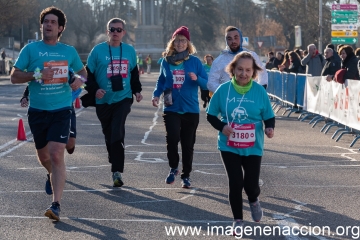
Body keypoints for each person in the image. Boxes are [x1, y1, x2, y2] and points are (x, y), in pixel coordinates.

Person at [10, 6, 87, 221]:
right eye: (46, 22)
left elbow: (83, 73)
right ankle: (51, 173)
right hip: (38, 111)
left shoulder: (68, 51)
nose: (49, 25)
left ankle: (55, 205)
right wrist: (37, 74)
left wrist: (81, 81)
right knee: (44, 157)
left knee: (56, 154)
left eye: (53, 22)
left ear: (60, 27)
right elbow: (14, 77)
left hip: (61, 109)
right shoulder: (30, 50)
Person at [206, 51, 275, 232]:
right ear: (233, 70)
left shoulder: (259, 91)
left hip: (253, 145)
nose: (243, 74)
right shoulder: (223, 90)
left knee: (251, 186)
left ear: (253, 72)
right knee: (235, 182)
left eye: (248, 70)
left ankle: (253, 200)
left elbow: (269, 115)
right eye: (240, 69)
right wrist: (222, 126)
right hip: (229, 145)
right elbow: (211, 115)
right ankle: (238, 220)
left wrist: (269, 128)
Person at [85, 18, 142, 188]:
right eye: (112, 29)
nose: (116, 32)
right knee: (109, 134)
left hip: (123, 99)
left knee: (117, 131)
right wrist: (95, 90)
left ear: (124, 32)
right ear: (107, 31)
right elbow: (87, 75)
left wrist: (137, 90)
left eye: (119, 29)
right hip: (103, 100)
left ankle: (117, 171)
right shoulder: (97, 51)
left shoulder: (130, 51)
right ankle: (114, 158)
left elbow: (134, 74)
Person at [152, 26, 208, 188]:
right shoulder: (165, 61)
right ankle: (173, 167)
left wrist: (197, 78)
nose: (180, 43)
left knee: (187, 144)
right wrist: (156, 94)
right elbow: (161, 81)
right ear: (173, 43)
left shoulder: (195, 62)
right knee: (172, 138)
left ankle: (186, 175)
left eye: (183, 41)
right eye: (177, 41)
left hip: (190, 109)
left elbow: (206, 83)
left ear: (188, 43)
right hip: (171, 107)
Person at [20, 69, 81, 154]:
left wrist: (77, 82)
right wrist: (25, 96)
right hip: (45, 109)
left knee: (70, 145)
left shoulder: (66, 65)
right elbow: (33, 83)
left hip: (65, 106)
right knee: (52, 150)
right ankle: (56, 159)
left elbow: (82, 78)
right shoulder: (41, 67)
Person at [207, 26, 268, 93]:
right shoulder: (219, 61)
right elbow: (211, 83)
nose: (233, 41)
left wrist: (258, 92)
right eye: (229, 39)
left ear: (241, 38)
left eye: (236, 38)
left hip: (250, 100)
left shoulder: (252, 56)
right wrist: (226, 93)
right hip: (229, 101)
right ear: (226, 41)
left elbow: (262, 74)